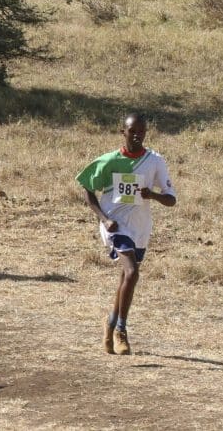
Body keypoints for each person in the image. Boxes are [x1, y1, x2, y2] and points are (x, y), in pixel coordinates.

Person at [76, 113, 177, 355]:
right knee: (132, 272)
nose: (137, 135)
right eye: (132, 131)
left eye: (141, 131)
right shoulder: (109, 161)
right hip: (115, 225)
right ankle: (122, 330)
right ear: (123, 132)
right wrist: (104, 218)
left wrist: (151, 195)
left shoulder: (155, 161)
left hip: (140, 228)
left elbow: (171, 199)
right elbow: (87, 189)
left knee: (125, 279)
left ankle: (110, 322)